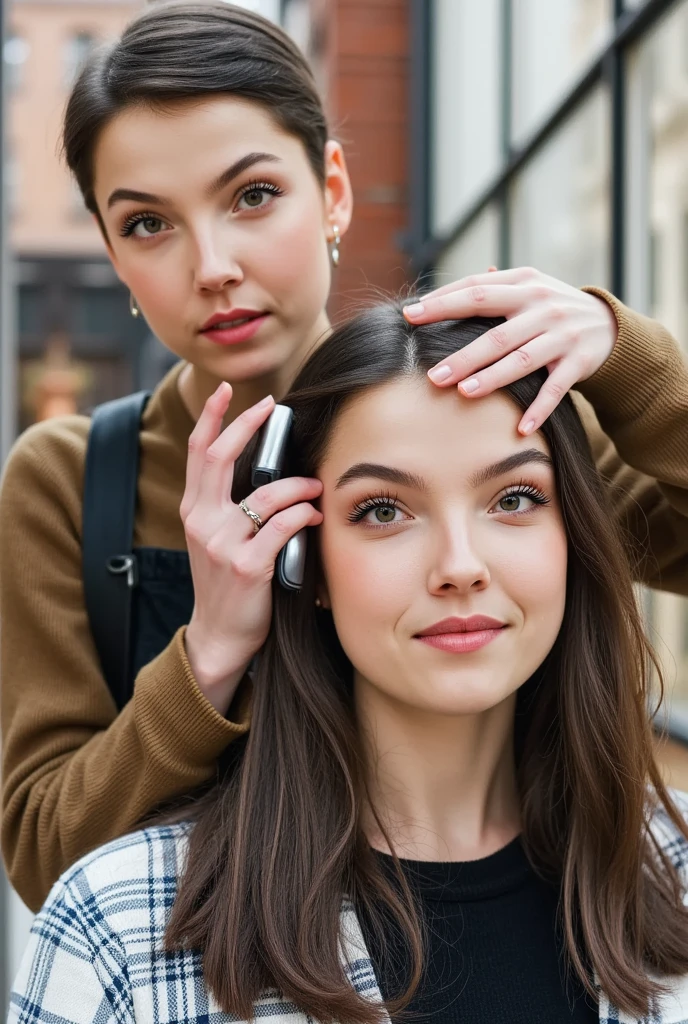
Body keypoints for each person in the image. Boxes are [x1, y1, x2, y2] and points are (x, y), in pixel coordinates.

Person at [2, 0, 688, 915]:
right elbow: (47, 857)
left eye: (252, 196)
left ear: (332, 190)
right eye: (147, 224)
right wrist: (207, 655)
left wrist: (627, 354)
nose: (211, 264)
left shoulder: (478, 414)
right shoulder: (75, 483)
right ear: (112, 253)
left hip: (524, 926)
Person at [9, 303, 688, 1024]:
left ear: (574, 538)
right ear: (306, 561)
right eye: (383, 512)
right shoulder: (117, 932)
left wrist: (625, 352)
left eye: (514, 498)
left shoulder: (673, 874)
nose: (460, 567)